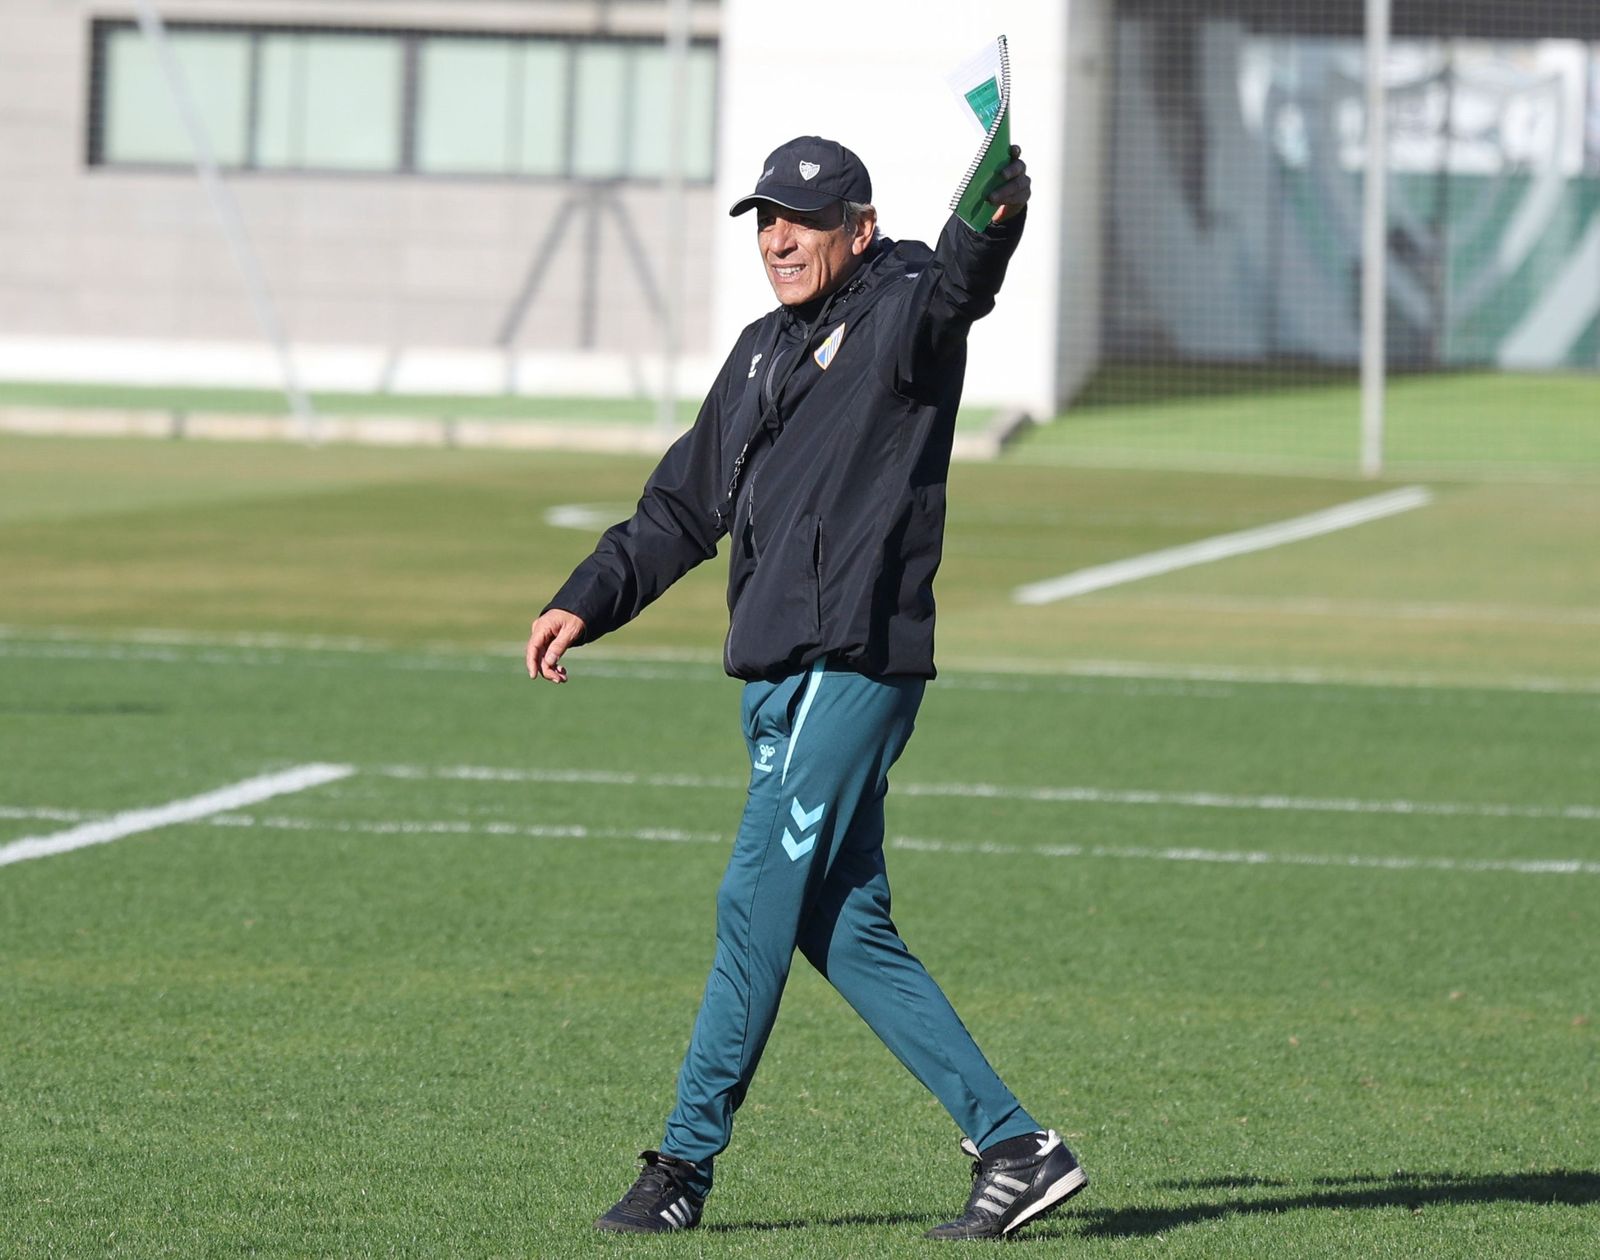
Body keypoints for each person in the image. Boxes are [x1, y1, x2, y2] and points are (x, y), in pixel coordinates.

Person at [525, 134, 1086, 1242]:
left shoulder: (904, 310)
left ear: (858, 230)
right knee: (842, 926)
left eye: (802, 220)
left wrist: (991, 219)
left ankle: (682, 1167)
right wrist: (586, 596)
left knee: (751, 902)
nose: (777, 238)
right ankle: (1018, 1148)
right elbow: (681, 510)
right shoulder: (757, 353)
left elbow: (960, 287)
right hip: (779, 677)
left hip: (854, 662)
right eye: (765, 218)